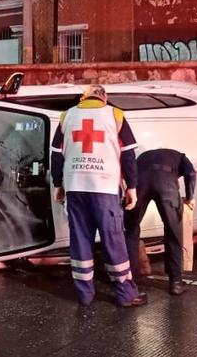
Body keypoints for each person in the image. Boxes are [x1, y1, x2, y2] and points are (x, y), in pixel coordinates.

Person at [51, 84, 146, 307]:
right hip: (105, 189)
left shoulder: (67, 116)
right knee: (113, 240)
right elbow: (128, 155)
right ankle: (125, 294)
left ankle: (84, 294)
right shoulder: (115, 114)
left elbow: (56, 155)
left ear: (84, 97)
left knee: (80, 239)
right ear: (105, 97)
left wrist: (58, 184)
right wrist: (131, 187)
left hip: (75, 187)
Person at [124, 148, 196, 295]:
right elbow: (191, 173)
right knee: (173, 231)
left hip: (140, 182)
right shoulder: (181, 157)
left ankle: (129, 280)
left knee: (131, 231)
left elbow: (130, 171)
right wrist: (190, 196)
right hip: (166, 184)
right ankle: (176, 282)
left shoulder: (144, 156)